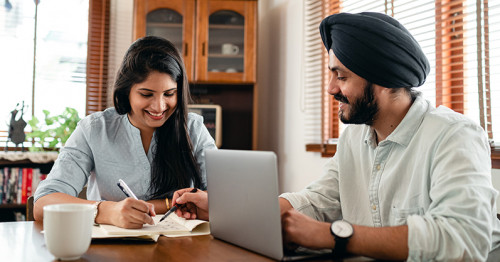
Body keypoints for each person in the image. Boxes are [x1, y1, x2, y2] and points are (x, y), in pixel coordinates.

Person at [172, 12, 500, 261]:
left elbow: (464, 239)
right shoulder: (355, 138)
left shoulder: (454, 136)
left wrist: (334, 235)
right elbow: (319, 200)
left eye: (341, 76)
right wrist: (231, 210)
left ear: (383, 80)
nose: (330, 88)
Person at [33, 36, 217, 229]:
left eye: (169, 94)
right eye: (146, 94)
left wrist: (208, 204)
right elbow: (43, 203)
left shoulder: (193, 128)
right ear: (126, 91)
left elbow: (224, 198)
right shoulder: (94, 129)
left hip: (182, 250)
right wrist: (106, 211)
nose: (159, 106)